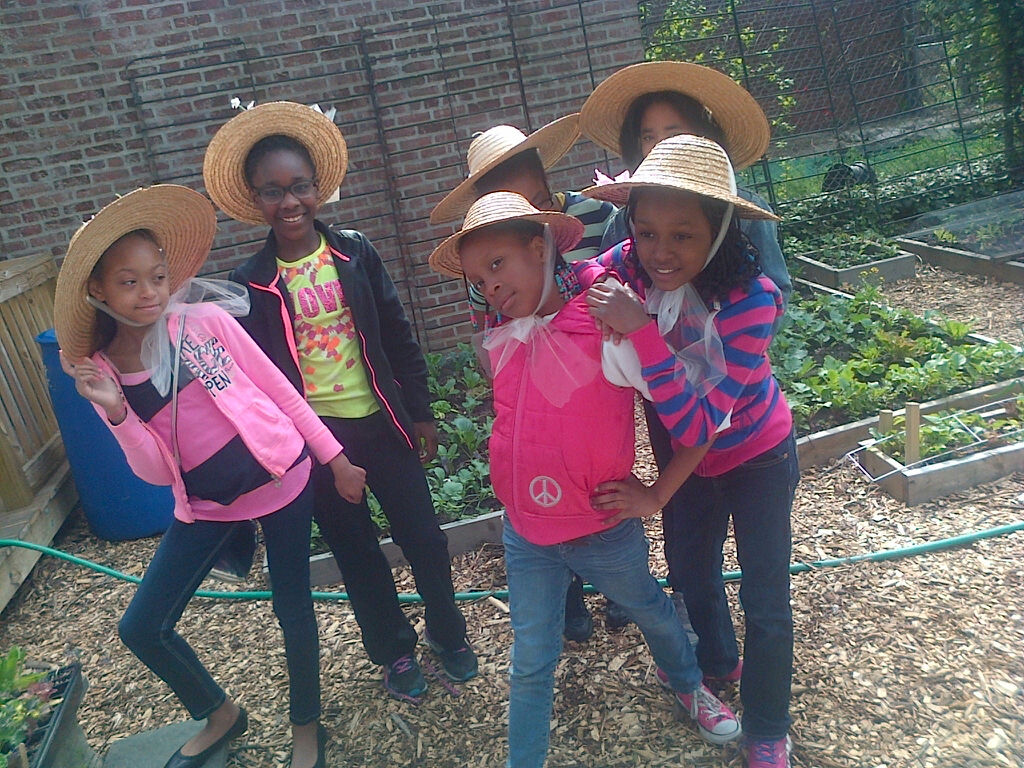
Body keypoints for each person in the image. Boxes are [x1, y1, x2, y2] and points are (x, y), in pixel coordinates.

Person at [53, 185, 367, 768]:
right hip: (207, 507)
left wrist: (336, 459)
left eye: (157, 276)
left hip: (281, 482)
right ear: (98, 290)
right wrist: (119, 413)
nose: (149, 292)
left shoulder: (201, 325)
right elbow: (151, 469)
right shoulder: (102, 374)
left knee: (292, 608)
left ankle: (306, 729)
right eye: (128, 281)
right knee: (142, 625)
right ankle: (220, 712)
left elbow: (281, 393)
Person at [427, 190, 742, 768]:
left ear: (540, 246)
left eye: (498, 265)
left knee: (650, 608)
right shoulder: (504, 337)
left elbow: (702, 419)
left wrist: (656, 494)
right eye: (478, 279)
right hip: (527, 535)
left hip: (602, 527)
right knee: (531, 659)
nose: (490, 287)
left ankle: (688, 681)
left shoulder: (605, 327)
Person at [202, 101, 476, 702]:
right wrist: (317, 454)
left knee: (425, 538)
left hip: (383, 423)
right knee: (356, 553)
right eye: (273, 192)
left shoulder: (354, 254)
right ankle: (393, 652)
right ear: (255, 200)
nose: (290, 202)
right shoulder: (249, 284)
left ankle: (447, 633)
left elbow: (399, 333)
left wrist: (422, 410)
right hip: (320, 443)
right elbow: (258, 383)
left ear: (318, 187)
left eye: (299, 186)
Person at [583, 134, 799, 768]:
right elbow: (586, 274)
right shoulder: (631, 267)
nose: (660, 253)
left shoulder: (751, 300)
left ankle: (766, 724)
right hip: (692, 465)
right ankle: (716, 663)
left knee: (766, 600)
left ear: (721, 231)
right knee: (691, 573)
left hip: (756, 454)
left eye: (683, 235)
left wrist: (643, 332)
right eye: (646, 232)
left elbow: (702, 418)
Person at [431, 117, 618, 641]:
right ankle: (570, 594)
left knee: (603, 475)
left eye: (532, 196)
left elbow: (617, 276)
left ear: (543, 177)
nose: (526, 215)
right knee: (551, 477)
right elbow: (484, 322)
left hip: (597, 375)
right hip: (535, 378)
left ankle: (619, 582)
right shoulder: (484, 250)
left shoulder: (593, 216)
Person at [579, 60, 792, 314]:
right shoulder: (627, 217)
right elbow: (601, 274)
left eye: (673, 133)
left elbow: (776, 290)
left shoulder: (745, 211)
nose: (660, 145)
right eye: (648, 137)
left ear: (704, 135)